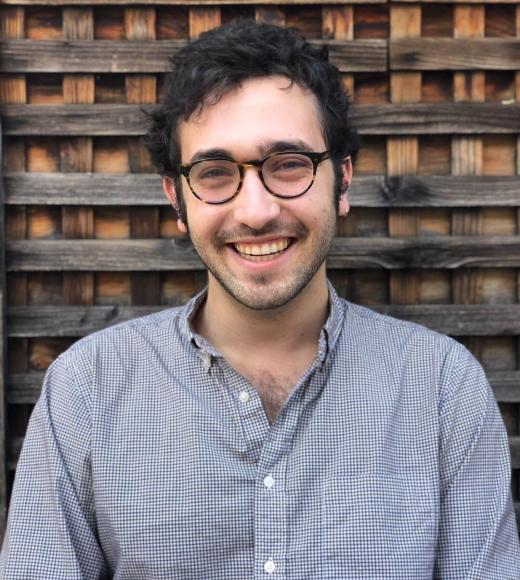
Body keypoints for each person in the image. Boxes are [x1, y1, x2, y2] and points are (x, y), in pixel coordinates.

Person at [1, 20, 519, 580]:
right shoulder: (85, 390)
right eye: (215, 172)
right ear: (177, 198)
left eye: (289, 164)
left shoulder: (444, 389)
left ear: (342, 181)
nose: (256, 211)